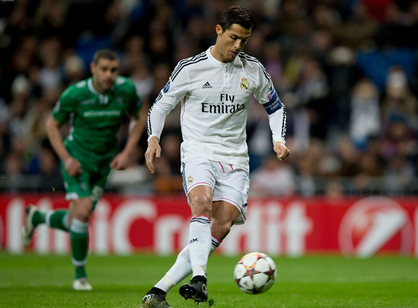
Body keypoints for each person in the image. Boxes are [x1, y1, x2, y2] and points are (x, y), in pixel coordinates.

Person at [142, 6, 290, 308]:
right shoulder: (191, 68)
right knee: (202, 204)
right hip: (198, 150)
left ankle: (158, 291)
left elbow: (276, 107)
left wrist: (278, 139)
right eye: (234, 37)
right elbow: (160, 106)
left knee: (222, 224)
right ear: (219, 30)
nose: (238, 46)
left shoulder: (253, 70)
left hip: (235, 157)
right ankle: (199, 277)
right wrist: (153, 138)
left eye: (244, 41)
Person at [20, 49, 146, 291]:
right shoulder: (75, 94)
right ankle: (80, 276)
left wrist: (127, 151)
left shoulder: (126, 90)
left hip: (103, 164)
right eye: (104, 70)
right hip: (77, 161)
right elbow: (52, 125)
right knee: (84, 211)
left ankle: (37, 217)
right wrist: (66, 158)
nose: (109, 75)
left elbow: (139, 118)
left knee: (76, 218)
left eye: (114, 70)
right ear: (93, 69)